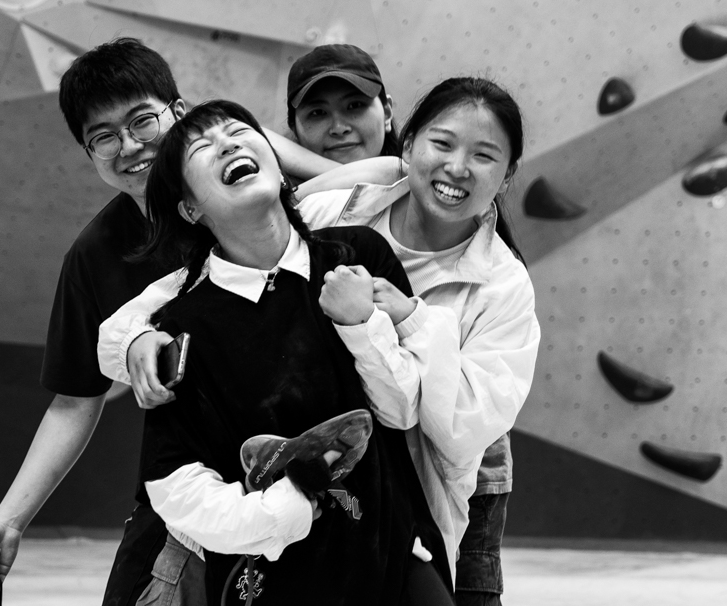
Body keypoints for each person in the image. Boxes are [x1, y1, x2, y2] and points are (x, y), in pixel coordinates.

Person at [0, 37, 371, 606]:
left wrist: (287, 177)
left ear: (178, 112)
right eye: (103, 137)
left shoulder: (252, 178)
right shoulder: (97, 256)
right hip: (196, 489)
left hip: (327, 471)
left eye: (142, 120)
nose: (129, 146)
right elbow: (75, 400)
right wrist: (9, 520)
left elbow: (381, 179)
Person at [100, 77, 540, 604]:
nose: (457, 167)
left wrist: (397, 320)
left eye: (484, 155)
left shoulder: (478, 279)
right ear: (409, 146)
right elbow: (166, 307)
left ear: (508, 174)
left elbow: (439, 422)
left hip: (412, 512)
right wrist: (136, 339)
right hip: (279, 552)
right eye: (442, 144)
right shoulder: (332, 214)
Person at [285, 44, 400, 165]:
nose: (339, 129)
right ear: (295, 129)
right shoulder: (273, 177)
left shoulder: (412, 175)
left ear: (387, 113)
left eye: (355, 105)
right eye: (317, 113)